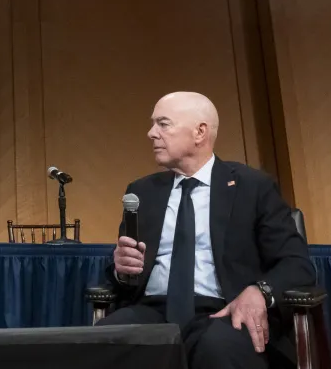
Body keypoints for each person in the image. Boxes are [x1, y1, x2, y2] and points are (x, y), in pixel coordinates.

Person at [97, 92, 315, 368]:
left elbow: (296, 265)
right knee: (105, 340)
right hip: (152, 309)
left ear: (200, 132)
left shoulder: (253, 187)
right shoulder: (142, 192)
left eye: (163, 124)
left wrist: (259, 291)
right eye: (153, 124)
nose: (151, 133)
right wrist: (121, 269)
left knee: (219, 347)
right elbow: (122, 277)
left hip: (224, 310)